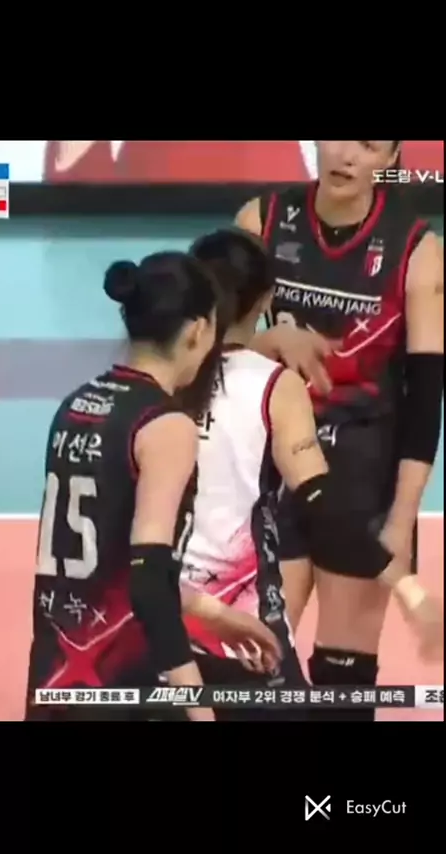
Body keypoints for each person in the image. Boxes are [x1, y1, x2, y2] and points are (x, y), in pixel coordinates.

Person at [25, 251, 282, 723]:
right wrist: (197, 706)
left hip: (55, 683)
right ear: (199, 329)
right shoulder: (166, 426)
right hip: (120, 688)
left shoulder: (76, 405)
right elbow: (147, 581)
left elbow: (113, 566)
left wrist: (213, 613)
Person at [236, 141, 444, 720]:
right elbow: (205, 349)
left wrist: (401, 520)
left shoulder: (417, 249)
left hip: (362, 472)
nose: (347, 154)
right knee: (251, 669)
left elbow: (426, 399)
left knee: (343, 685)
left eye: (369, 144)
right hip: (271, 464)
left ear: (392, 157)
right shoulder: (261, 221)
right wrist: (266, 341)